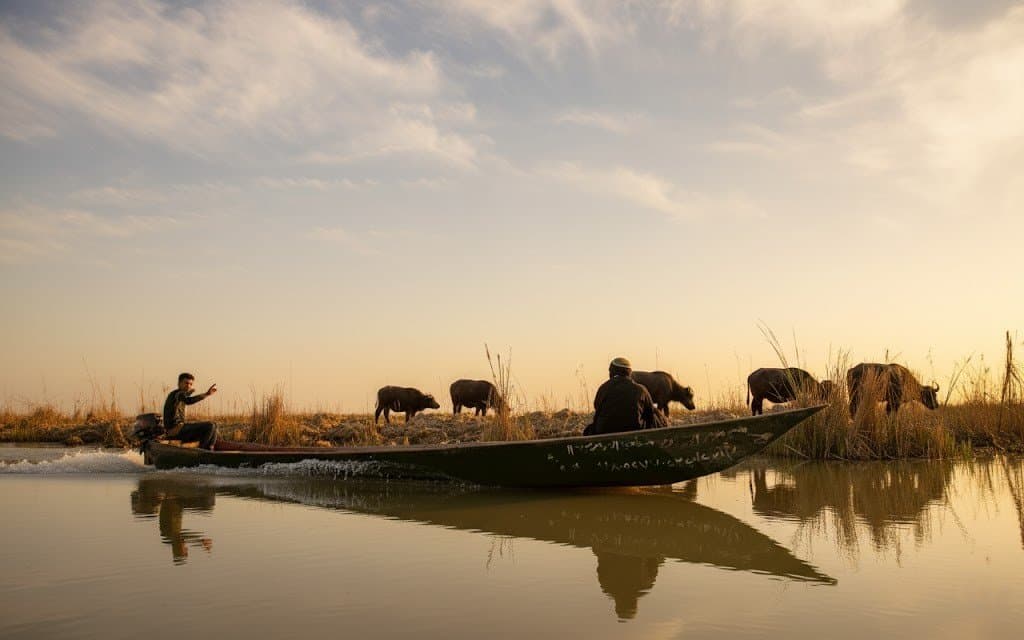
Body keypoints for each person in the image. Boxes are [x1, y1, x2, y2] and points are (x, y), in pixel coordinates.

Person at [584, 357, 666, 435]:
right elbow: (650, 413)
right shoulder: (641, 389)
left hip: (604, 431)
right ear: (629, 373)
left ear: (611, 372)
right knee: (656, 414)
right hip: (635, 429)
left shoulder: (603, 388)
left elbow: (597, 407)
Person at [163, 372, 219, 449]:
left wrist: (189, 393)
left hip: (180, 428)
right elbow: (188, 401)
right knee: (210, 425)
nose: (188, 386)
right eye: (186, 383)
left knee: (214, 425)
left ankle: (210, 447)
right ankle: (203, 450)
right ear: (179, 383)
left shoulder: (178, 395)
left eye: (190, 384)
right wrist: (207, 394)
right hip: (175, 429)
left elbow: (185, 397)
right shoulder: (178, 394)